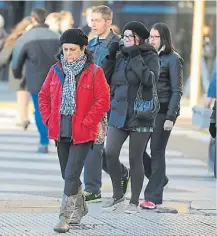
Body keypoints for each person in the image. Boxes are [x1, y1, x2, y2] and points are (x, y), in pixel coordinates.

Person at [39, 29, 110, 233]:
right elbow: (43, 95)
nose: (68, 54)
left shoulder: (95, 71)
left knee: (71, 174)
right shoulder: (56, 70)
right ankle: (80, 207)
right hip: (61, 131)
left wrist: (88, 122)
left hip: (83, 133)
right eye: (65, 49)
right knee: (66, 174)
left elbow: (103, 101)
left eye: (72, 50)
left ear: (83, 50)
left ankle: (64, 217)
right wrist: (49, 118)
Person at [101, 21, 160, 212]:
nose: (125, 39)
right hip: (118, 112)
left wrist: (136, 56)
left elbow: (149, 80)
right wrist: (110, 57)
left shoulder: (150, 56)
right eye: (124, 36)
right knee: (109, 153)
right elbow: (103, 77)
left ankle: (134, 201)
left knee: (136, 158)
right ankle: (118, 195)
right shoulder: (119, 55)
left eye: (130, 36)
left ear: (139, 39)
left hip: (140, 114)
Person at [84, 5, 130, 203]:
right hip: (89, 101)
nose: (93, 24)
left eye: (97, 20)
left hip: (109, 102)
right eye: (91, 20)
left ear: (108, 22)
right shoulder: (90, 44)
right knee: (91, 145)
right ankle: (119, 173)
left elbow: (121, 77)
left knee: (96, 145)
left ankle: (93, 189)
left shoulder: (119, 45)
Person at [140, 23, 184, 209]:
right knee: (139, 150)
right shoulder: (147, 56)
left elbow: (176, 90)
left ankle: (153, 196)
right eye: (150, 36)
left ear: (164, 38)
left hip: (163, 111)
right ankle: (160, 178)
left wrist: (170, 117)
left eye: (156, 37)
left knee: (157, 152)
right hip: (145, 111)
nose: (152, 40)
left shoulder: (173, 59)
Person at [12, 8, 60, 153]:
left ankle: (44, 141)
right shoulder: (57, 36)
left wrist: (17, 74)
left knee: (40, 110)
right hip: (56, 79)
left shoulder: (26, 37)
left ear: (33, 19)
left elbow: (16, 62)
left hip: (36, 81)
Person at [0, 17, 33, 129]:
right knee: (22, 94)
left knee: (26, 95)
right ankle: (22, 117)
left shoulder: (34, 39)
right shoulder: (16, 40)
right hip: (18, 70)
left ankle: (23, 117)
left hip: (30, 71)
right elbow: (3, 56)